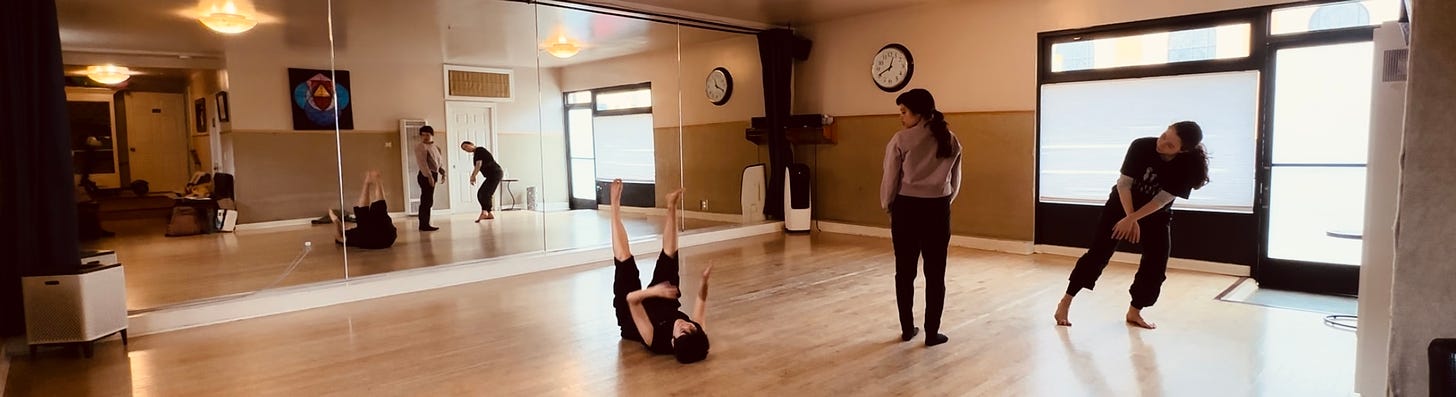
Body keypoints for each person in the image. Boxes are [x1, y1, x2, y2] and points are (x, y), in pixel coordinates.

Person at [1053, 121, 1211, 330]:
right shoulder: (1141, 146)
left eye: (1170, 145)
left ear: (1183, 150)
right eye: (1164, 135)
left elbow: (1162, 200)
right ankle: (1065, 302)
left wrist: (1134, 218)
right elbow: (1124, 184)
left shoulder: (1187, 166)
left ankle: (1135, 311)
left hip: (1154, 213)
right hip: (1121, 205)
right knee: (1099, 253)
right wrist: (1129, 217)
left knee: (1156, 262)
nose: (1161, 143)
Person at [880, 88, 962, 347]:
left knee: (904, 272)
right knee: (936, 274)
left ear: (918, 112)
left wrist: (888, 205)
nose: (901, 117)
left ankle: (907, 329)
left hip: (906, 210)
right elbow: (955, 181)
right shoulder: (950, 138)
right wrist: (943, 201)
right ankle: (931, 333)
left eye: (904, 112)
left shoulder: (900, 140)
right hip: (938, 210)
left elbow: (890, 179)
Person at [609, 178, 713, 364]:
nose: (686, 325)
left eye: (683, 330)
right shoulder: (695, 334)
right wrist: (704, 282)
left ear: (673, 342)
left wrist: (655, 291)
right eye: (691, 327)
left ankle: (614, 207)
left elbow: (632, 300)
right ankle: (671, 206)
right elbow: (702, 302)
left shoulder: (655, 340)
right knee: (670, 255)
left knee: (625, 259)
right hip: (662, 302)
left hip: (632, 312)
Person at [330, 170, 397, 249]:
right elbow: (339, 236)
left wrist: (336, 221)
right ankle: (371, 182)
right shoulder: (355, 234)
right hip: (385, 237)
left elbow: (339, 236)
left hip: (385, 239)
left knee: (366, 218)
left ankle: (372, 182)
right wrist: (335, 219)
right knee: (365, 217)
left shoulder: (352, 235)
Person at [460, 141, 504, 222]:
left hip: (495, 173)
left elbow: (479, 164)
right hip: (493, 174)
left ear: (471, 144)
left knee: (483, 193)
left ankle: (485, 211)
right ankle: (489, 213)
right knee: (484, 193)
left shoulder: (479, 150)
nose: (466, 149)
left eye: (466, 146)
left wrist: (473, 176)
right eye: (464, 149)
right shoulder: (476, 153)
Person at [413, 126, 445, 231]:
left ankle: (425, 223)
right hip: (425, 175)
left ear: (432, 135)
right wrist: (429, 177)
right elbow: (422, 163)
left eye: (427, 134)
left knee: (429, 200)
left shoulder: (436, 147)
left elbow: (438, 162)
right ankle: (423, 225)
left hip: (434, 174)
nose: (425, 137)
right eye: (423, 135)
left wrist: (442, 171)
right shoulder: (420, 147)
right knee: (426, 200)